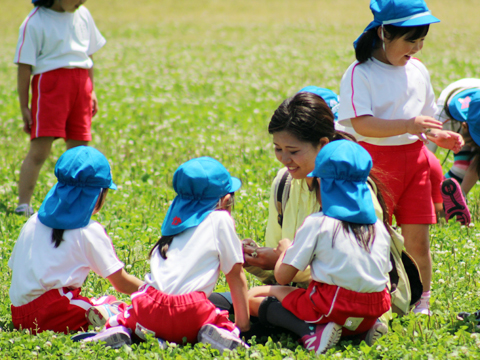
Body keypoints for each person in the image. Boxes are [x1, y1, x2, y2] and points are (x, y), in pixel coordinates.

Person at [337, 0, 464, 315]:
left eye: (423, 39)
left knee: (418, 242)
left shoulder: (418, 70)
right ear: (383, 33)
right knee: (376, 239)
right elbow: (361, 124)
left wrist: (440, 137)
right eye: (411, 39)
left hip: (416, 163)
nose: (418, 47)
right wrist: (409, 125)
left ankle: (422, 301)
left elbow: (424, 121)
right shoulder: (359, 73)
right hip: (373, 165)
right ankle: (378, 300)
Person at [83, 157, 250, 352]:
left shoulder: (175, 219)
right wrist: (243, 326)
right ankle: (217, 331)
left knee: (128, 315)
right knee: (216, 318)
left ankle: (123, 329)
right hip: (192, 311)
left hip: (148, 307)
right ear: (227, 199)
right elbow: (236, 276)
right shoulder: (220, 218)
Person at [248, 140, 392, 355]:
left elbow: (282, 276)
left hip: (332, 306)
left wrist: (285, 249)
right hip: (374, 309)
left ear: (323, 185)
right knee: (342, 311)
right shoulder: (378, 227)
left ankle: (310, 330)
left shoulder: (318, 222)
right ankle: (364, 331)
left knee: (252, 296)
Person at [8, 146, 143, 334]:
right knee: (125, 311)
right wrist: (152, 292)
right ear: (97, 196)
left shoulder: (34, 220)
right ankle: (114, 327)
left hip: (19, 314)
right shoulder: (88, 231)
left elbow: (15, 266)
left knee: (105, 302)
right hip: (52, 311)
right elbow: (120, 282)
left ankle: (106, 314)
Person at [14, 0, 106, 216]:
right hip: (51, 87)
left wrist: (91, 89)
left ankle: (75, 202)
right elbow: (24, 67)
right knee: (40, 150)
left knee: (79, 151)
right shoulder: (34, 22)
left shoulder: (83, 14)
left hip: (81, 85)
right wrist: (24, 106)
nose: (82, 1)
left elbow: (88, 56)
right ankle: (23, 204)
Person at [430, 79, 480, 224]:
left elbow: (476, 166)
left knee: (466, 167)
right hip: (452, 118)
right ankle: (438, 206)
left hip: (471, 116)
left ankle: (452, 204)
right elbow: (426, 161)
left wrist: (460, 199)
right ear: (465, 127)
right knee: (461, 167)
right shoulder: (441, 122)